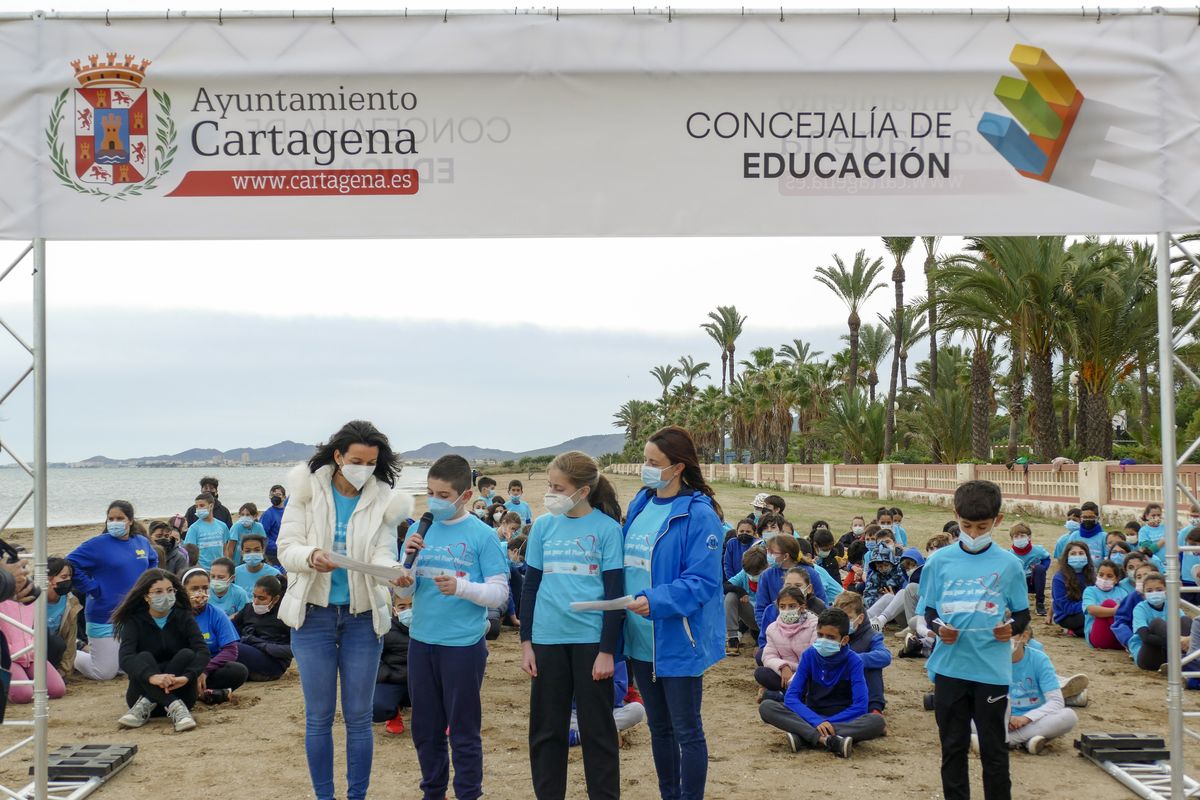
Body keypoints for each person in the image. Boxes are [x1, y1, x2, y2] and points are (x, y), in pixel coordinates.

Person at [278, 420, 412, 800]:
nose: (363, 469)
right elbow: (286, 549)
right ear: (337, 457)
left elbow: (384, 551)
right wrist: (311, 556)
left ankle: (357, 796)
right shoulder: (306, 490)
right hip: (313, 616)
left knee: (359, 718)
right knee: (318, 718)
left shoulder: (384, 498)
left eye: (371, 463)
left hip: (362, 618)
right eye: (356, 460)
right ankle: (324, 796)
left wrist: (391, 572)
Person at [396, 454, 508, 800]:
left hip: (462, 646)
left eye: (443, 495)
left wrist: (461, 587)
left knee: (463, 730)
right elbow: (403, 591)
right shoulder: (418, 529)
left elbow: (499, 594)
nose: (434, 502)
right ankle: (433, 791)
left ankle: (468, 793)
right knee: (425, 729)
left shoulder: (482, 535)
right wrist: (405, 570)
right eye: (430, 493)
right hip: (421, 640)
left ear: (465, 496)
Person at [621, 426, 724, 800]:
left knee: (686, 730)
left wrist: (658, 601)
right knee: (658, 728)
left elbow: (702, 581)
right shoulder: (641, 502)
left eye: (653, 463)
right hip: (637, 638)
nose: (645, 468)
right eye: (644, 461)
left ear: (678, 467)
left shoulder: (699, 515)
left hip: (677, 637)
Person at [519, 451, 624, 800]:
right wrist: (526, 642)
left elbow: (614, 595)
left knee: (598, 731)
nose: (551, 493)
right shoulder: (543, 527)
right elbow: (530, 586)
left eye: (558, 487)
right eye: (550, 485)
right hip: (547, 640)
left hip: (591, 641)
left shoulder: (607, 530)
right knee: (547, 731)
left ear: (582, 491)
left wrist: (607, 650)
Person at [919, 480, 1031, 800]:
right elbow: (929, 612)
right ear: (956, 516)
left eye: (982, 526)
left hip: (991, 671)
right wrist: (940, 629)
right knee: (953, 747)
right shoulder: (939, 561)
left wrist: (1010, 627)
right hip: (950, 668)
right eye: (966, 525)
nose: (973, 533)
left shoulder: (1009, 564)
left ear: (998, 520)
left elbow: (1022, 615)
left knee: (994, 750)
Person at [758, 607, 886, 758]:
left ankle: (807, 737)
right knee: (767, 707)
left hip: (843, 717)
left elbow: (860, 706)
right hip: (811, 713)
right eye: (820, 635)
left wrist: (825, 723)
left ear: (844, 640)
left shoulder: (854, 661)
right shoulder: (809, 655)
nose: (824, 640)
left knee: (876, 721)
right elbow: (791, 698)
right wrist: (816, 720)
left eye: (831, 637)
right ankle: (829, 740)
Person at [68, 500, 158, 681]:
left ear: (130, 520)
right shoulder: (97, 544)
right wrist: (90, 587)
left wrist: (147, 586)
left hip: (134, 616)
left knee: (129, 669)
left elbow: (153, 561)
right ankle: (72, 654)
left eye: (120, 518)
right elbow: (70, 563)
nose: (114, 522)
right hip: (104, 616)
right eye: (111, 518)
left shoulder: (141, 542)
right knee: (104, 673)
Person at [114, 569, 207, 732]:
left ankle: (168, 705)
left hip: (182, 693)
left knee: (187, 654)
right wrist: (151, 677)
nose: (166, 595)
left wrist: (187, 677)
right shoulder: (134, 621)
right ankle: (172, 706)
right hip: (140, 695)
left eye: (170, 590)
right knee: (143, 656)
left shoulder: (183, 616)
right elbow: (125, 657)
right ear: (146, 596)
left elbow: (202, 651)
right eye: (158, 591)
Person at [993, 627, 1077, 754]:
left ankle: (1007, 741)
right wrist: (1006, 717)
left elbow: (1056, 701)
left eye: (1009, 635)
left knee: (1068, 716)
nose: (1003, 640)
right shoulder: (990, 662)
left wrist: (1026, 718)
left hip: (1036, 718)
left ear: (1024, 636)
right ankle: (1028, 740)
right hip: (1001, 719)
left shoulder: (1039, 659)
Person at [182, 567, 249, 703]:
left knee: (238, 671)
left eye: (205, 588)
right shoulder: (176, 615)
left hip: (209, 668)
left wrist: (205, 670)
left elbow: (231, 650)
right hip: (182, 669)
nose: (201, 593)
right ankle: (205, 694)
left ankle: (193, 693)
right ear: (183, 590)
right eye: (194, 588)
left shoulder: (217, 614)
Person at [0, 579, 66, 704]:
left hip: (30, 654)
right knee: (24, 696)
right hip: (6, 656)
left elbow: (37, 627)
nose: (22, 575)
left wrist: (32, 647)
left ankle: (21, 680)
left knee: (57, 690)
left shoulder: (32, 595)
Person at [832, 591, 891, 713]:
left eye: (848, 618)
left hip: (862, 689)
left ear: (860, 618)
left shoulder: (872, 635)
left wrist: (854, 660)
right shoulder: (831, 634)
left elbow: (885, 656)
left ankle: (875, 710)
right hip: (837, 689)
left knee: (872, 665)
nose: (842, 622)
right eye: (839, 617)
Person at [755, 586, 818, 699]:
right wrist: (783, 667)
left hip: (808, 673)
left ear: (802, 607)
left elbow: (814, 659)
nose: (787, 610)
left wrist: (795, 677)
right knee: (761, 673)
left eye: (792, 606)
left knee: (815, 683)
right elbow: (769, 656)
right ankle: (793, 695)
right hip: (785, 674)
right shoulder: (772, 628)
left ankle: (778, 695)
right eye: (782, 606)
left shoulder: (815, 625)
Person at [755, 534, 827, 632]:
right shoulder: (766, 575)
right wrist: (768, 631)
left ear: (786, 556)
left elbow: (822, 603)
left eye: (773, 553)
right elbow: (760, 608)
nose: (769, 556)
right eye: (768, 551)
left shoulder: (810, 573)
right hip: (776, 630)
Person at [568, 659, 646, 745]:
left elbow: (621, 691)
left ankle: (584, 735)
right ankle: (604, 733)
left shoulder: (613, 656)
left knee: (638, 709)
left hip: (609, 711)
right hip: (577, 713)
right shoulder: (571, 656)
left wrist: (599, 685)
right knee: (557, 719)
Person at [1130, 571, 1193, 671]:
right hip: (1148, 656)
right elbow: (1145, 637)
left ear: (1166, 590)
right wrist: (1175, 641)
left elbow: (1185, 627)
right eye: (1149, 591)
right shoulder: (1140, 608)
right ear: (1143, 593)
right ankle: (1180, 654)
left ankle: (1182, 659)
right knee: (1156, 622)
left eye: (1159, 589)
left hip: (1170, 653)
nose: (1154, 593)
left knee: (1185, 620)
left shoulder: (1171, 605)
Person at [233, 575, 292, 681]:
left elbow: (294, 649)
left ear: (275, 599)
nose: (256, 602)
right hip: (249, 654)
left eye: (261, 598)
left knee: (234, 648)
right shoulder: (248, 609)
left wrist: (261, 645)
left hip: (274, 663)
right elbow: (230, 629)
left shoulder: (285, 615)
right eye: (254, 596)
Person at [374, 593, 412, 735]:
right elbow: (375, 658)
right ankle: (393, 713)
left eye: (412, 605)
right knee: (376, 707)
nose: (408, 610)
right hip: (395, 680)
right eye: (402, 607)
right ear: (394, 609)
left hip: (423, 681)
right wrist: (388, 675)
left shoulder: (432, 626)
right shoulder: (385, 629)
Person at [725, 545, 767, 656]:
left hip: (769, 620)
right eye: (750, 572)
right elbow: (724, 586)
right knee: (731, 595)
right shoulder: (744, 574)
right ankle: (733, 639)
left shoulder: (771, 574)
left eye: (756, 573)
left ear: (766, 566)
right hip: (753, 618)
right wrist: (740, 591)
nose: (752, 576)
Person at [43, 557, 80, 673]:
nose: (68, 580)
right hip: (31, 649)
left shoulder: (71, 602)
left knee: (57, 643)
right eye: (64, 577)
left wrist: (64, 671)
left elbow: (70, 641)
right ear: (48, 579)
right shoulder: (32, 600)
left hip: (54, 651)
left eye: (70, 577)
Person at [1082, 559, 1128, 650]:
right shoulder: (1090, 591)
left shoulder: (1122, 592)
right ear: (1096, 575)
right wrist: (1116, 611)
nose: (1104, 578)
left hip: (1117, 640)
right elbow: (1091, 610)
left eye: (1109, 576)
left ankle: (1127, 641)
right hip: (1098, 638)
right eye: (1101, 575)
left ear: (1116, 579)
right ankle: (1128, 642)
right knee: (1109, 603)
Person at [1008, 523, 1051, 617]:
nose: (1019, 538)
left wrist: (1043, 568)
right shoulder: (1009, 554)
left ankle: (1040, 603)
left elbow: (1047, 559)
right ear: (1012, 539)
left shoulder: (1038, 550)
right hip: (1019, 583)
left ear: (1029, 537)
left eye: (1022, 536)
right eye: (1016, 536)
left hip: (1034, 582)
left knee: (1040, 569)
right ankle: (1015, 605)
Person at [1051, 543, 1093, 637]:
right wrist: (1089, 605)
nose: (1077, 556)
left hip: (1088, 609)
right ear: (1067, 557)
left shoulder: (1091, 574)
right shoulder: (1059, 578)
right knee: (1093, 619)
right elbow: (1066, 607)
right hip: (1066, 616)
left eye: (1081, 553)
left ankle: (1075, 631)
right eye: (1073, 554)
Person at [184, 493, 232, 571]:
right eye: (197, 506)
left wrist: (227, 566)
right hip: (203, 570)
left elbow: (225, 549)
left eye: (202, 505)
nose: (198, 509)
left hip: (219, 569)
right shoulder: (193, 528)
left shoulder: (222, 526)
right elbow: (190, 553)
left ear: (211, 506)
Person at [260, 485, 288, 564]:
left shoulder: (288, 512)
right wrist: (277, 547)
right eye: (272, 495)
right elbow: (262, 535)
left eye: (278, 495)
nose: (275, 497)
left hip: (287, 552)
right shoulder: (268, 514)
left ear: (284, 497)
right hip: (273, 555)